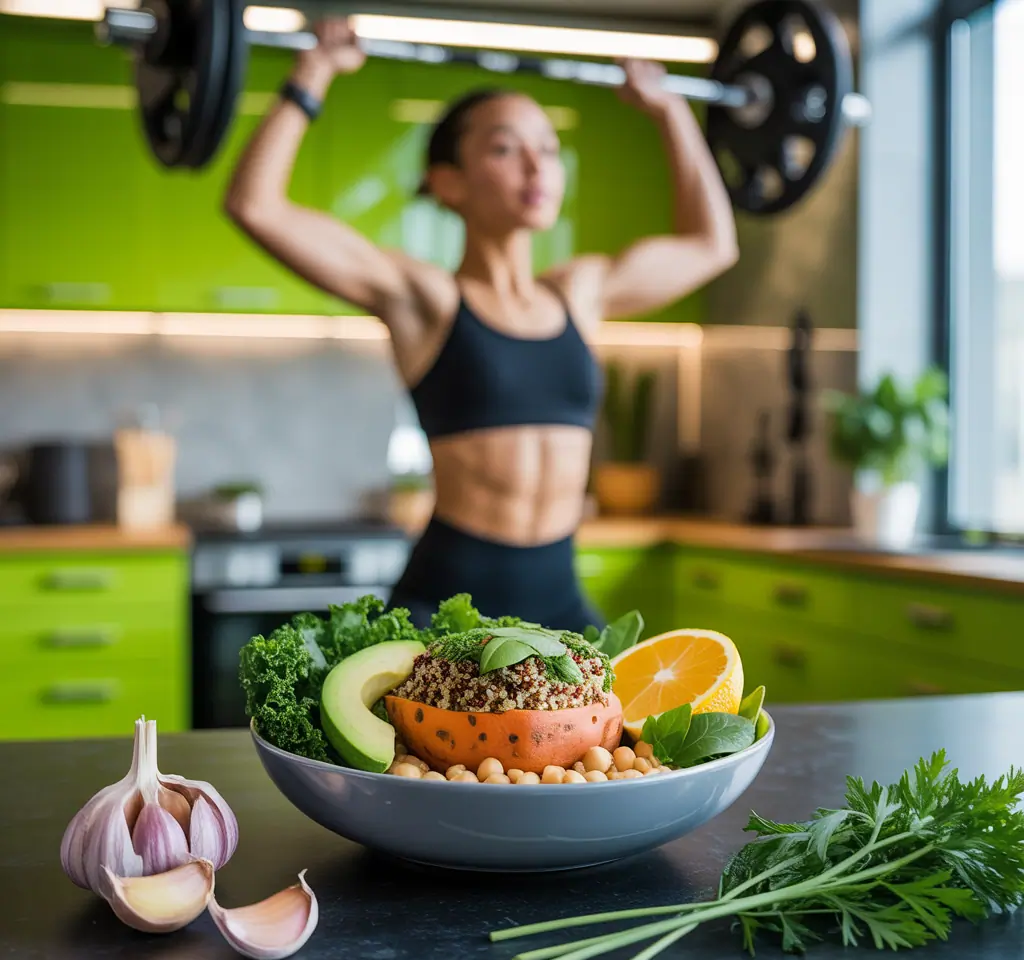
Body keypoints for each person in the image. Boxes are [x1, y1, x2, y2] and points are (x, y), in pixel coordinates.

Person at [224, 19, 738, 634]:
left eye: (548, 149)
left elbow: (713, 245)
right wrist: (313, 74)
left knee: (627, 731)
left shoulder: (581, 292)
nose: (535, 166)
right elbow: (255, 205)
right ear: (448, 183)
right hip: (446, 606)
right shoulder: (427, 299)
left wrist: (670, 111)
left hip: (562, 606)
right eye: (504, 148)